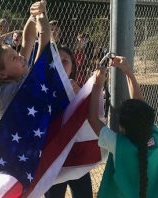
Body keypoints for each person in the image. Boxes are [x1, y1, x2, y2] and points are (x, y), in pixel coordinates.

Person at [88, 56, 158, 198]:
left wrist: (97, 85)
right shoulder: (155, 136)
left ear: (121, 127)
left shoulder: (118, 144)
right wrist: (128, 72)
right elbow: (140, 107)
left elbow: (92, 120)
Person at [0, 0, 49, 119]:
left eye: (16, 53)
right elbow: (41, 61)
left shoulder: (16, 76)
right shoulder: (6, 93)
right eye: (14, 58)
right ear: (2, 74)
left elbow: (27, 43)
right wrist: (43, 18)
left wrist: (34, 15)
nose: (20, 56)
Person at [45, 46, 93, 198]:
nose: (60, 63)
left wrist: (81, 95)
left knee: (83, 193)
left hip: (77, 154)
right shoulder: (43, 89)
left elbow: (91, 118)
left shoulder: (79, 89)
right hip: (54, 157)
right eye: (56, 60)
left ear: (72, 68)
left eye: (65, 61)